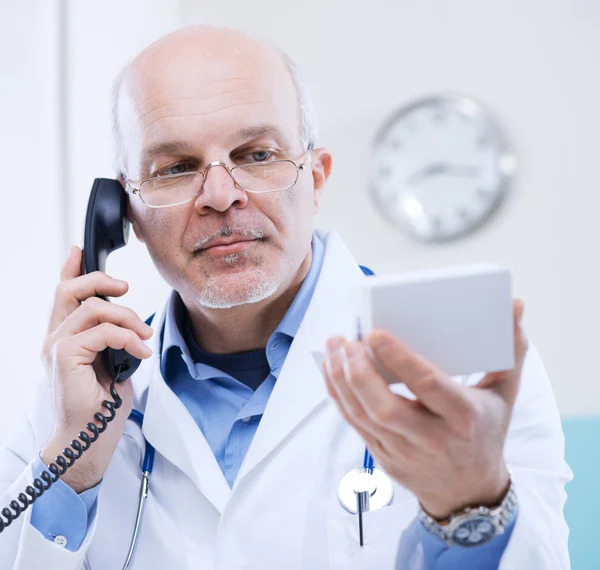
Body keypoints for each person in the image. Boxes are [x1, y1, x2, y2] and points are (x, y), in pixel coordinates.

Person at [0, 25, 571, 570]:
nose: (221, 197)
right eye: (176, 168)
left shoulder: (462, 360)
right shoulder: (70, 407)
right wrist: (72, 476)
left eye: (256, 155)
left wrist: (469, 505)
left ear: (316, 179)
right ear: (123, 214)